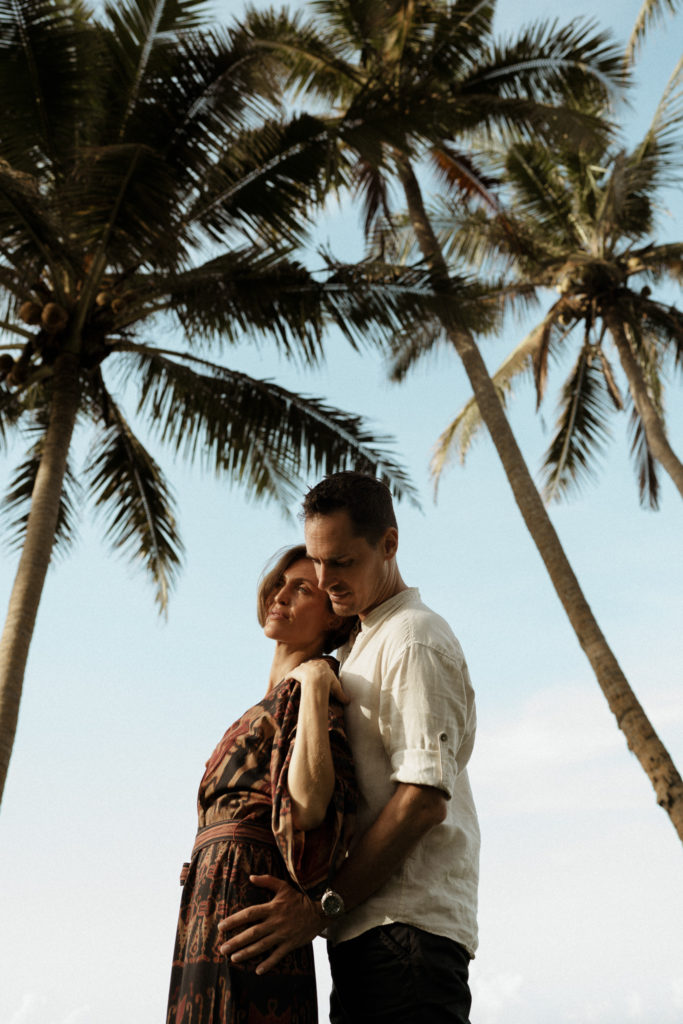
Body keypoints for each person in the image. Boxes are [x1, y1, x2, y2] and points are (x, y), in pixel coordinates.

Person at [218, 472, 480, 1023]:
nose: (325, 577)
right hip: (363, 933)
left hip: (407, 936)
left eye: (341, 562)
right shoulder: (363, 646)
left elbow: (424, 801)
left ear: (389, 544)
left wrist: (318, 909)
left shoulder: (413, 638)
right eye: (317, 560)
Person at [166, 544, 357, 1024]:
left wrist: (313, 683)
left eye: (302, 589)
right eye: (280, 582)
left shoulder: (314, 690)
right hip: (210, 901)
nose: (281, 594)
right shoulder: (263, 705)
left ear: (333, 618)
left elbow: (310, 807)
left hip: (251, 904)